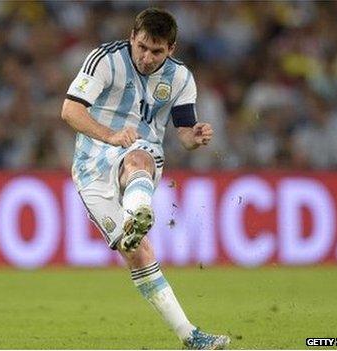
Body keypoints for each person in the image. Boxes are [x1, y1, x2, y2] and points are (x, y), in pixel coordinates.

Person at [61, 8, 230, 350]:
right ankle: (134, 223)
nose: (147, 57)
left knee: (138, 154)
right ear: (132, 38)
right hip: (91, 164)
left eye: (157, 51)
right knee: (136, 253)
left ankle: (138, 213)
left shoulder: (180, 78)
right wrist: (109, 135)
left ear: (172, 49)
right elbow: (70, 110)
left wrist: (194, 137)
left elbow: (182, 132)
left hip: (139, 153)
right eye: (142, 47)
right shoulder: (104, 60)